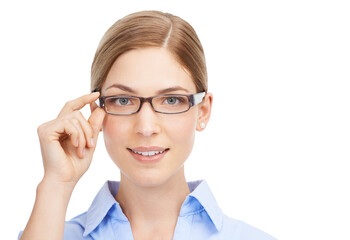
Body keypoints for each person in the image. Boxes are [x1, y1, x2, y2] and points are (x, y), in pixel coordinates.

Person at [18, 10, 276, 240]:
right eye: (123, 100)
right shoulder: (48, 234)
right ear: (97, 112)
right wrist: (57, 183)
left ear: (203, 111)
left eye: (172, 99)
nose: (146, 127)